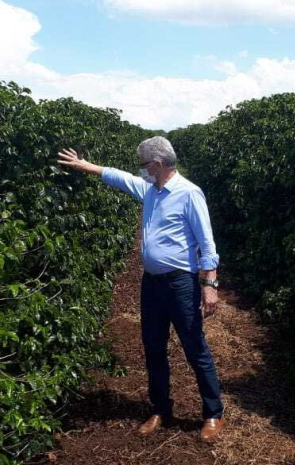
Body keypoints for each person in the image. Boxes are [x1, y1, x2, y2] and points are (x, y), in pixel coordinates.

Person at [56, 136, 226, 442]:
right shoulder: (150, 190)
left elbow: (207, 242)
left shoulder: (189, 194)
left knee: (195, 348)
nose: (142, 171)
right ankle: (161, 409)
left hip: (180, 285)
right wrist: (85, 166)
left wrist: (209, 285)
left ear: (158, 164)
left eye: (145, 165)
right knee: (153, 347)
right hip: (152, 284)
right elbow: (118, 177)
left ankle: (213, 414)